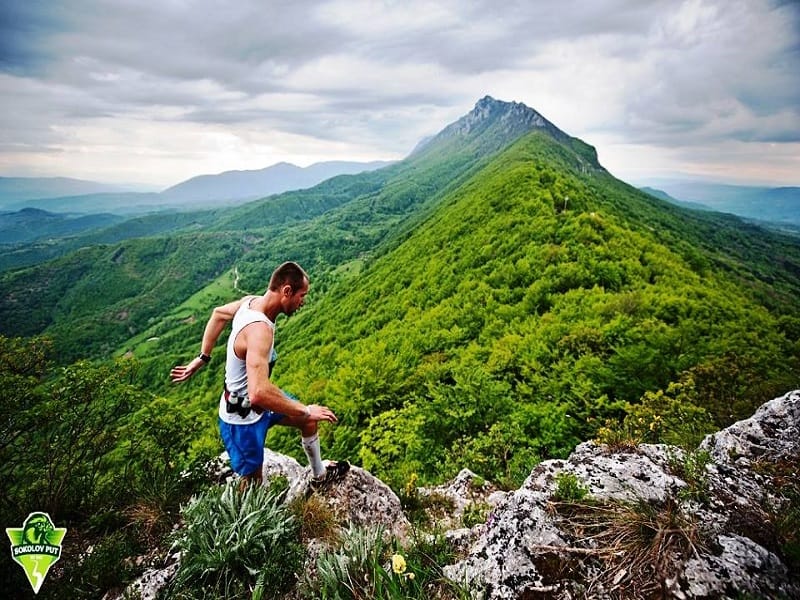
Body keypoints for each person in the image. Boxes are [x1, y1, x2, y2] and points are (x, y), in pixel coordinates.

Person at [170, 261, 349, 488]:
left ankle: (319, 477)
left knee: (309, 421)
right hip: (242, 419)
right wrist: (305, 409)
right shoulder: (259, 330)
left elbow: (218, 315)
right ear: (286, 291)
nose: (303, 301)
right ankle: (247, 519)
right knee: (253, 483)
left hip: (261, 405)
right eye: (302, 295)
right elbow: (257, 393)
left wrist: (203, 357)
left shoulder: (250, 303)